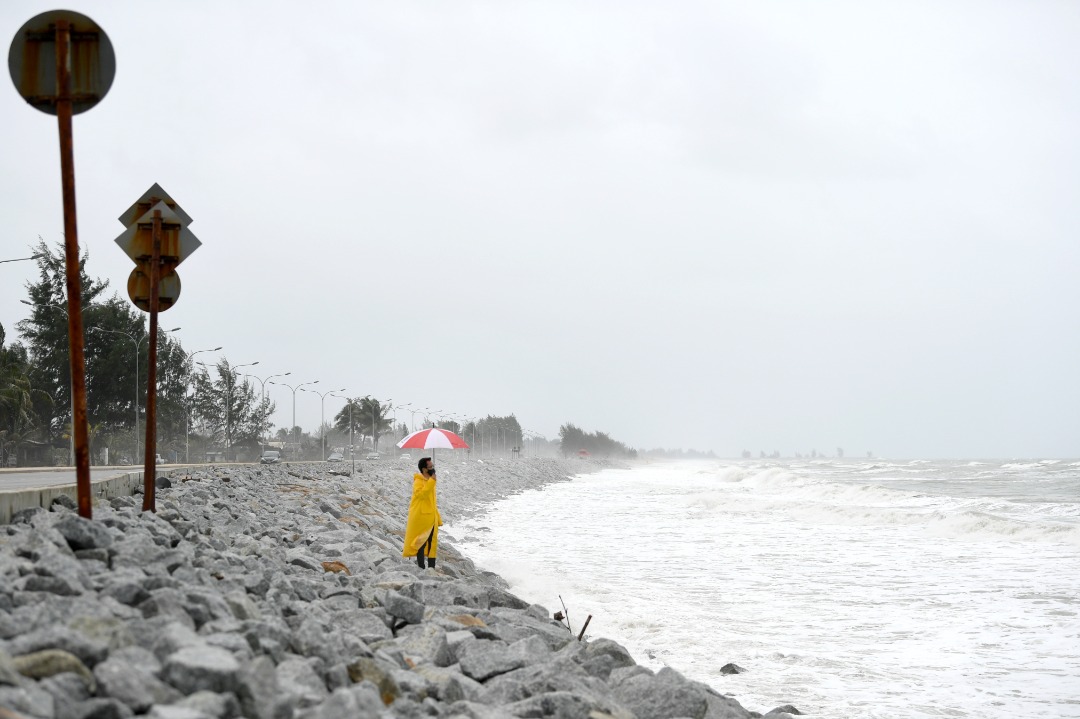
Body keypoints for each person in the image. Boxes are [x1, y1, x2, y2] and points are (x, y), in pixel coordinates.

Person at [403, 456, 442, 569]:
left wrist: (437, 516)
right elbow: (421, 495)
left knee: (432, 542)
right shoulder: (418, 481)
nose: (433, 468)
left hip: (431, 516)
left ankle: (431, 567)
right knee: (421, 541)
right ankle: (421, 567)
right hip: (421, 516)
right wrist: (431, 482)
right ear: (424, 469)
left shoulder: (430, 479)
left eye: (433, 466)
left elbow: (432, 501)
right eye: (430, 466)